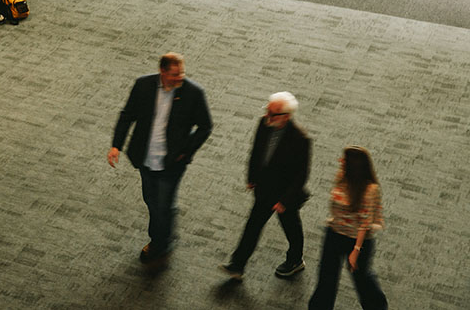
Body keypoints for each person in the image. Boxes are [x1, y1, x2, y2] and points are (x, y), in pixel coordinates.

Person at [108, 52, 213, 262]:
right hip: (145, 158)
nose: (180, 78)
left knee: (162, 204)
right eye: (175, 75)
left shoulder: (193, 93)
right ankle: (166, 232)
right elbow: (127, 115)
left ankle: (159, 243)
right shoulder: (143, 86)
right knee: (151, 200)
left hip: (172, 162)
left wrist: (186, 151)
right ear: (162, 72)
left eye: (182, 73)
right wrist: (116, 145)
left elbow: (205, 126)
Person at [221, 92, 311, 281]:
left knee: (291, 227)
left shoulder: (300, 139)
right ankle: (238, 265)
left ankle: (295, 259)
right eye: (268, 111)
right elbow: (256, 152)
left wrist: (284, 201)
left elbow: (301, 175)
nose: (267, 117)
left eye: (273, 114)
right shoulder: (264, 123)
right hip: (265, 189)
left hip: (285, 195)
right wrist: (251, 177)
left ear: (286, 116)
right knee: (253, 226)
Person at [308, 146, 387, 310]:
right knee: (326, 278)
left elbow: (364, 223)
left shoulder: (370, 190)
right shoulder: (341, 177)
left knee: (362, 279)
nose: (340, 161)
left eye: (344, 160)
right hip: (334, 233)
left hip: (358, 240)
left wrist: (355, 250)